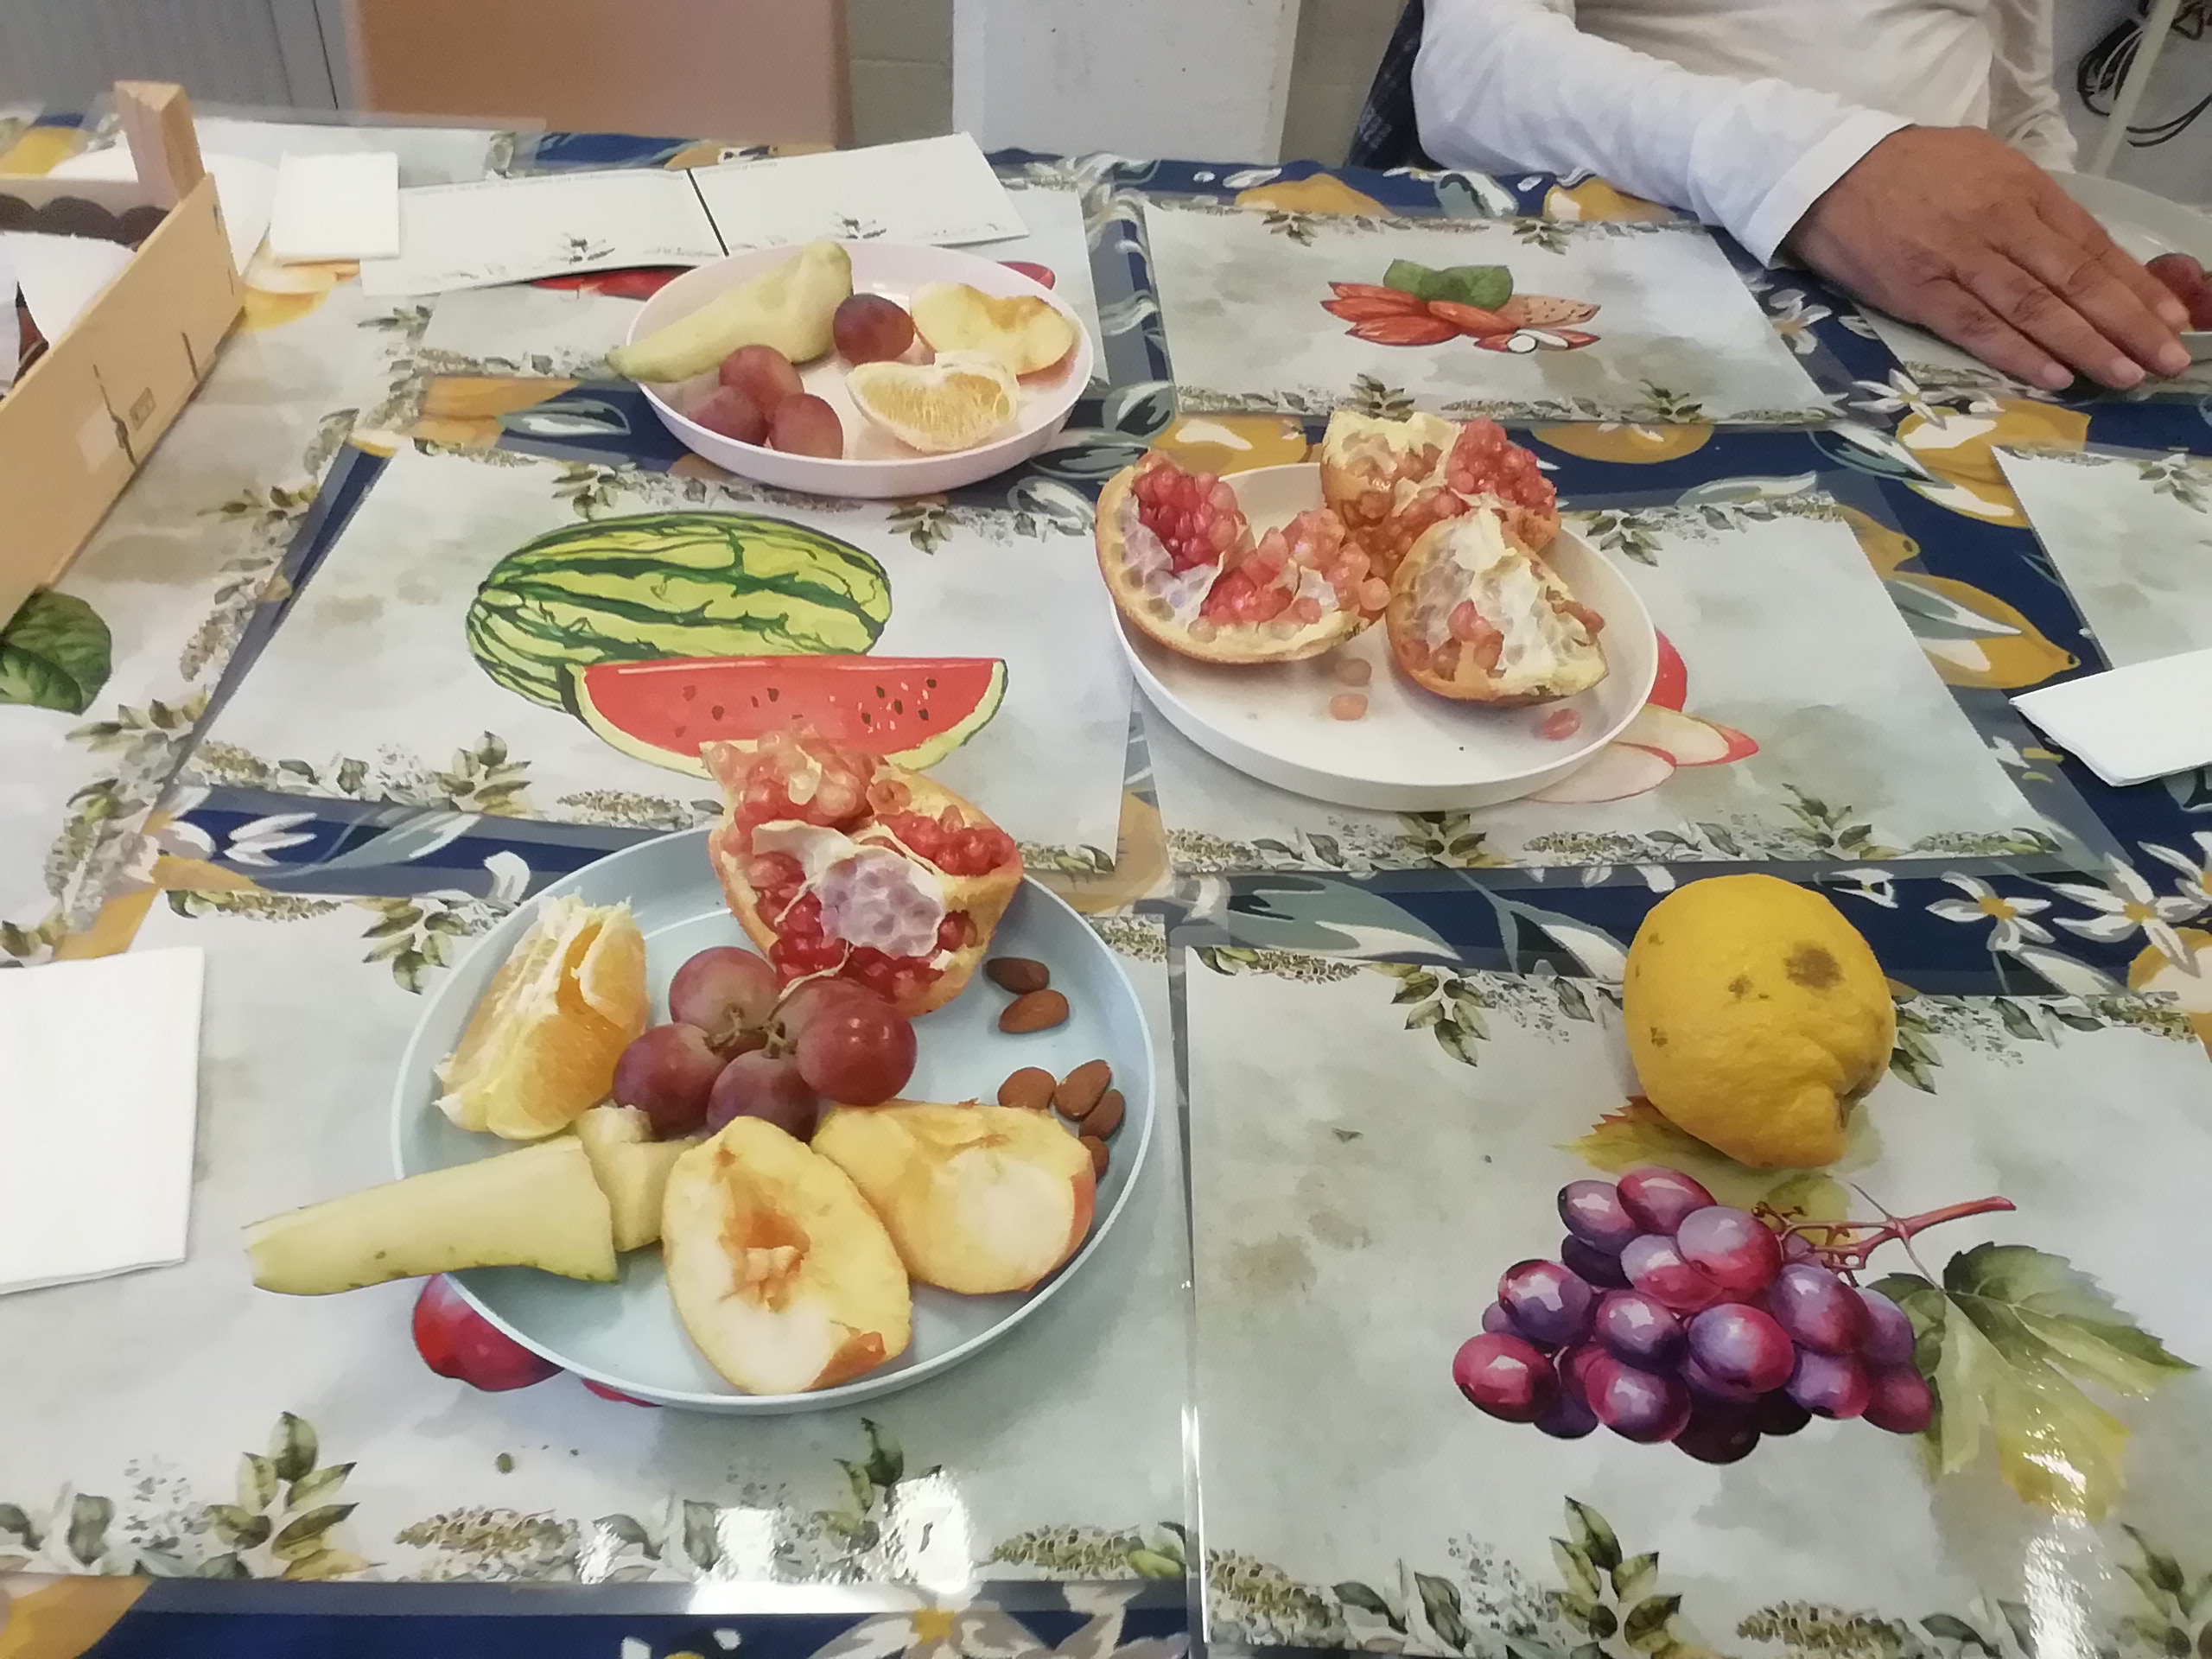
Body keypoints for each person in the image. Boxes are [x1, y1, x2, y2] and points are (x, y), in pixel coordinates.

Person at [1386, 0, 2189, 391]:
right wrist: (1822, 167)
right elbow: (1470, 69)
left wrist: (2061, 239)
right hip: (1652, 296)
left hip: (1953, 332)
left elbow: (2018, 102)